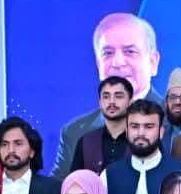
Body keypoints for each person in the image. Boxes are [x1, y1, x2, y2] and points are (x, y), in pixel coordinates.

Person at [54, 13, 162, 178]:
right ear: (98, 65)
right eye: (108, 53)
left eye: (130, 51)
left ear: (153, 62)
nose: (118, 62)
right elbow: (58, 189)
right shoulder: (75, 132)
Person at [103, 99, 181, 194]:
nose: (141, 133)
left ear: (161, 132)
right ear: (126, 131)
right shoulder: (109, 174)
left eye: (148, 126)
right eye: (135, 126)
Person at [70, 76, 133, 175]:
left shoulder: (140, 140)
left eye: (118, 96)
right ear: (100, 102)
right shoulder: (86, 141)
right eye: (106, 96)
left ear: (130, 102)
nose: (111, 101)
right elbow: (75, 180)